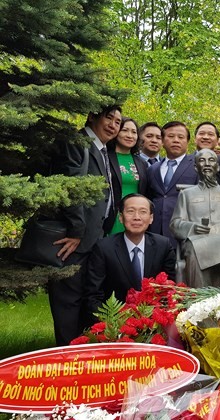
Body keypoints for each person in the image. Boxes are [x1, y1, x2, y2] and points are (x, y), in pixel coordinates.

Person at [50, 104, 122, 345]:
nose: (113, 125)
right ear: (92, 117)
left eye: (118, 122)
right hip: (75, 241)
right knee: (68, 302)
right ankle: (66, 357)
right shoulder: (78, 143)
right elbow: (72, 188)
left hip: (95, 238)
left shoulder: (102, 149)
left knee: (86, 297)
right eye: (108, 118)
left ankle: (83, 353)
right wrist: (76, 231)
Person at [84, 194, 175, 318]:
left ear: (151, 218)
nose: (137, 217)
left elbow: (170, 289)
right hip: (115, 319)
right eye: (130, 211)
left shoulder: (163, 246)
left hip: (154, 320)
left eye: (143, 212)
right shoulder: (104, 248)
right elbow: (93, 295)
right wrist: (110, 324)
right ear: (121, 217)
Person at [170, 149, 220, 288]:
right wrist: (192, 227)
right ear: (196, 167)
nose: (207, 164)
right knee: (194, 249)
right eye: (202, 160)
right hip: (199, 241)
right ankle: (200, 303)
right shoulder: (186, 194)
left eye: (211, 160)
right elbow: (175, 223)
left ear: (217, 167)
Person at [146, 121, 197, 243]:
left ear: (187, 142)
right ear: (162, 141)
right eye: (170, 136)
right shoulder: (152, 169)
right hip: (155, 232)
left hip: (185, 233)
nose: (176, 140)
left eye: (181, 137)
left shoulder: (197, 167)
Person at [106, 117, 148, 234]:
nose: (130, 135)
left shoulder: (142, 163)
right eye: (125, 130)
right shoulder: (105, 158)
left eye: (134, 132)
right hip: (112, 217)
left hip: (135, 218)